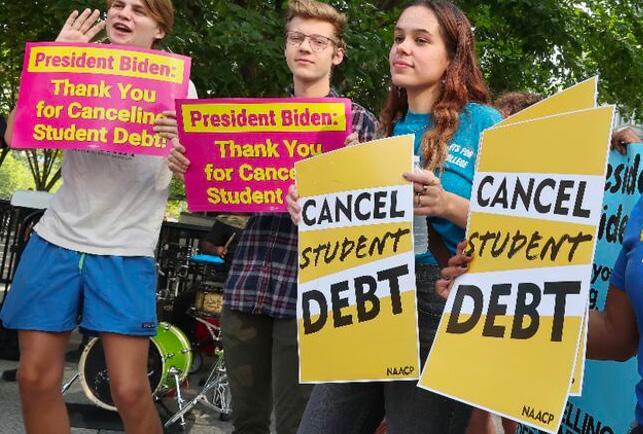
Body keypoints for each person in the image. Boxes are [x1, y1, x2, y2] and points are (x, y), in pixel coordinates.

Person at [286, 1, 502, 432]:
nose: (403, 48)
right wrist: (313, 209)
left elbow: (518, 223)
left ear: (452, 57)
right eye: (399, 37)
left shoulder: (483, 123)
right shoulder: (385, 130)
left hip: (439, 302)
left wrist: (446, 204)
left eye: (421, 40)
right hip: (367, 297)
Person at [168, 1, 378, 433]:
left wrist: (355, 172)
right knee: (246, 421)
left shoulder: (359, 123)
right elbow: (224, 198)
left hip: (310, 293)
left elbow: (371, 218)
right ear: (285, 47)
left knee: (296, 422)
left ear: (337, 54)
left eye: (318, 41)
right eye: (296, 38)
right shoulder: (254, 119)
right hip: (248, 285)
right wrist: (191, 167)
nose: (305, 47)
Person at [0, 1, 194, 433]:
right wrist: (51, 64)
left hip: (125, 250)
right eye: (117, 5)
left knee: (128, 389)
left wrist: (183, 153)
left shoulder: (181, 85)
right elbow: (15, 134)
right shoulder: (75, 66)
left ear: (160, 28)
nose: (124, 14)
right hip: (56, 239)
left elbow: (194, 170)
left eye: (139, 9)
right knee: (33, 378)